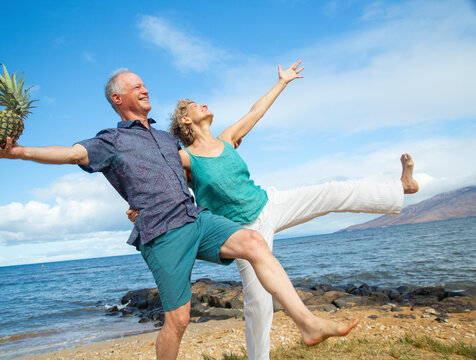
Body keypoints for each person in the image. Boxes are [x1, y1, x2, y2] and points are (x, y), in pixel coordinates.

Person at [0, 68, 359, 360]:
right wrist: (16, 151)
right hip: (162, 233)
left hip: (196, 218)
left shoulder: (167, 139)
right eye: (135, 86)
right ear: (118, 97)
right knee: (177, 320)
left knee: (254, 242)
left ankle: (307, 323)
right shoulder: (109, 141)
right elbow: (68, 153)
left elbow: (195, 163)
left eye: (144, 84)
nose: (145, 89)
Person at [158, 61, 419, 360]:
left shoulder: (227, 138)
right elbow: (157, 178)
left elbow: (257, 111)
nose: (203, 104)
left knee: (333, 190)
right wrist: (137, 206)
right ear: (185, 120)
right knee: (258, 303)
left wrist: (282, 82)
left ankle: (401, 187)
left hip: (269, 203)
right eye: (194, 105)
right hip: (243, 232)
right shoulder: (184, 158)